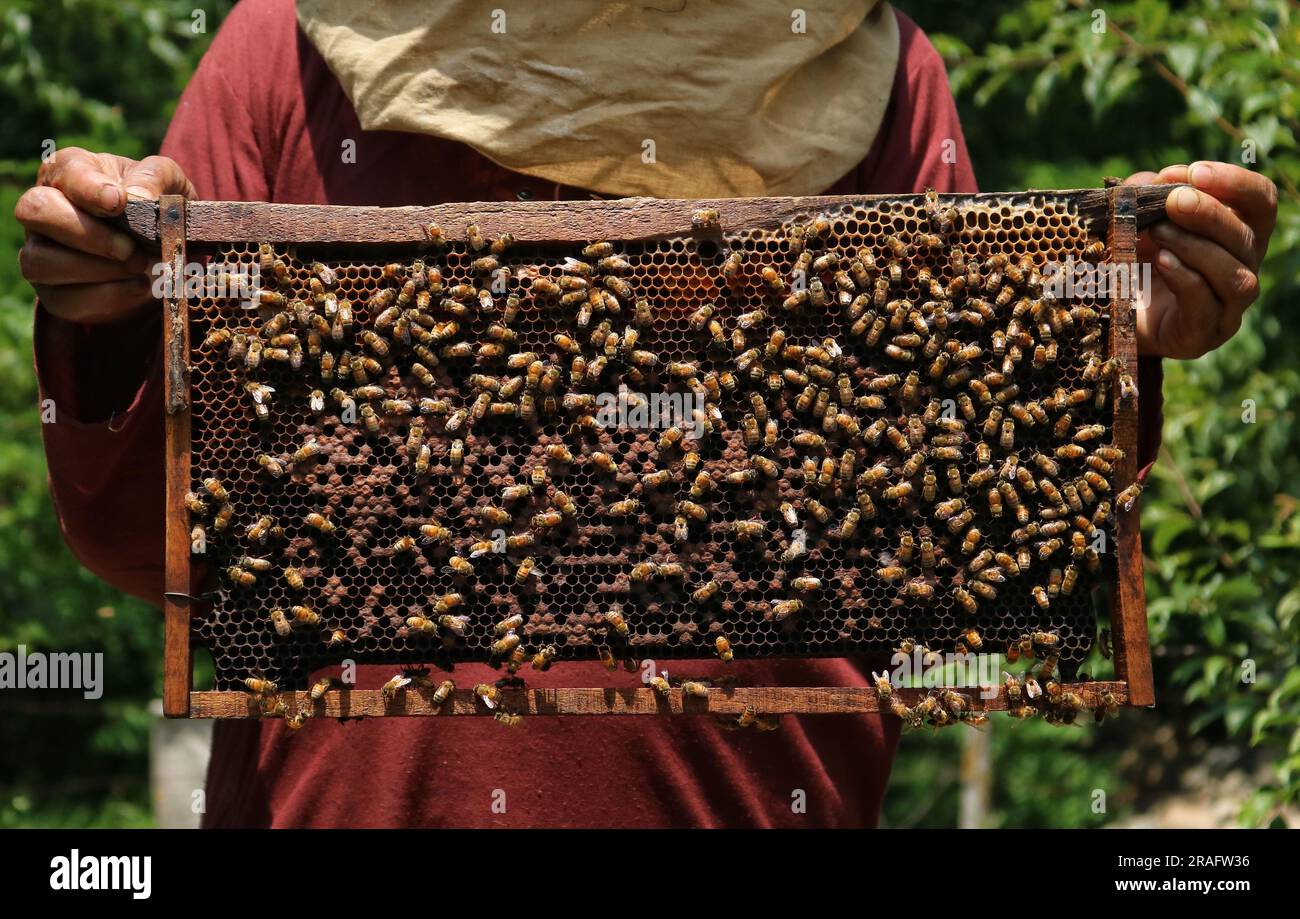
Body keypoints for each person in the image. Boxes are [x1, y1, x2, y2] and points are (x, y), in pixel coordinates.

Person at [15, 0, 1277, 828]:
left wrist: (1095, 338)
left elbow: (948, 561)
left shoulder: (877, 78)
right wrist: (119, 313)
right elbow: (162, 545)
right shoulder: (285, 51)